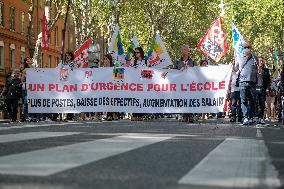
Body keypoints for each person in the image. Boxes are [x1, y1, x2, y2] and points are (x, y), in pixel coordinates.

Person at [234, 42, 257, 125]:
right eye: (245, 47)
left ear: (251, 48)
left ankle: (251, 117)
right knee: (243, 100)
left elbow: (259, 69)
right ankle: (245, 117)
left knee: (252, 100)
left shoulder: (255, 58)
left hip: (252, 82)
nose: (246, 48)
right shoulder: (239, 58)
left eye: (248, 47)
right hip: (242, 82)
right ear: (242, 49)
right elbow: (236, 69)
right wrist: (233, 63)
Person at [173, 44, 195, 123]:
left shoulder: (192, 62)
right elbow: (173, 72)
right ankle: (183, 115)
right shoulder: (177, 62)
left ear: (188, 51)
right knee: (182, 99)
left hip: (190, 84)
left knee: (190, 99)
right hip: (180, 84)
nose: (184, 51)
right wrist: (181, 70)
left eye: (186, 50)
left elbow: (196, 72)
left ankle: (190, 115)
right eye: (183, 50)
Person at [255, 57, 270, 124]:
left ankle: (261, 118)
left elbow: (268, 80)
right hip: (255, 88)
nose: (261, 62)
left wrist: (267, 88)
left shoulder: (266, 70)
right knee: (255, 103)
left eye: (262, 61)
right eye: (259, 61)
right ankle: (254, 117)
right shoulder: (254, 69)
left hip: (262, 88)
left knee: (262, 104)